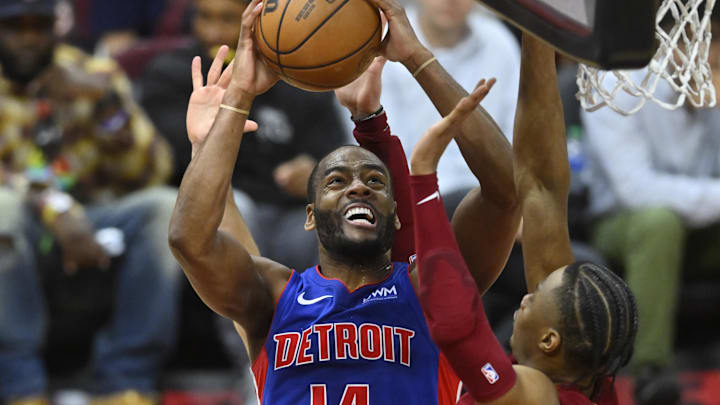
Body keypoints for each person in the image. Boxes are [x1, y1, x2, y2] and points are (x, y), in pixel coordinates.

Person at [169, 0, 519, 402]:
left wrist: (418, 58)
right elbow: (190, 239)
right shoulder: (272, 295)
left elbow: (505, 192)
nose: (358, 186)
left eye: (375, 180)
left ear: (397, 216)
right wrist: (229, 111)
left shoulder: (434, 292)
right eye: (336, 180)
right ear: (310, 216)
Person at [410, 33, 639, 404]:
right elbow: (541, 187)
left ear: (550, 340)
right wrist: (539, 33)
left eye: (536, 297)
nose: (528, 296)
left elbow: (454, 326)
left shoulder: (536, 396)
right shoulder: (580, 377)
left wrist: (423, 178)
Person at [0, 1, 180, 404]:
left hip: (99, 214)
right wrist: (56, 209)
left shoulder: (93, 73)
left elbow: (153, 171)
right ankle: (19, 386)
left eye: (39, 25)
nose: (29, 38)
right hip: (23, 222)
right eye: (14, 27)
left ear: (57, 27)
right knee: (1, 209)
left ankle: (126, 380)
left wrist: (106, 105)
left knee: (163, 208)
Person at [140, 0, 347, 272]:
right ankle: (241, 316)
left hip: (290, 212)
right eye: (204, 17)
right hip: (220, 208)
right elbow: (170, 161)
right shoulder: (173, 73)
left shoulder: (298, 76)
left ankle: (329, 314)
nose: (213, 32)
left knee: (332, 222)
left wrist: (314, 175)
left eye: (227, 20)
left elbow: (334, 155)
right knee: (240, 212)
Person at [580, 12, 720, 404]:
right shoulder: (617, 81)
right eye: (705, 43)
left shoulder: (714, 79)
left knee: (671, 220)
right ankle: (648, 370)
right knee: (660, 222)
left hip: (703, 224)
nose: (712, 57)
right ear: (679, 40)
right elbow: (635, 190)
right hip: (622, 223)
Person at [379, 0, 520, 215]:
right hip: (413, 199)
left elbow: (517, 142)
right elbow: (387, 158)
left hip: (493, 196)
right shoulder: (385, 44)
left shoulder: (500, 43)